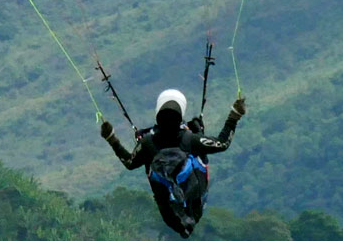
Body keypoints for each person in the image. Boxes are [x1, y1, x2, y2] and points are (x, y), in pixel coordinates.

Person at [101, 89, 246, 237]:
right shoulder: (191, 140)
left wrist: (112, 139)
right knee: (198, 157)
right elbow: (222, 143)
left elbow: (129, 162)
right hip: (194, 206)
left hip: (169, 214)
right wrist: (234, 115)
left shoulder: (148, 144)